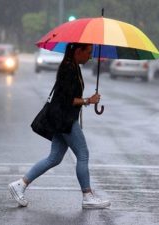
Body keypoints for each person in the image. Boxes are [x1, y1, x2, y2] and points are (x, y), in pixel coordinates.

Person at [8, 43, 110, 209]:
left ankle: (20, 185)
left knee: (54, 158)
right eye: (88, 52)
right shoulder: (69, 69)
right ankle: (87, 196)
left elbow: (68, 96)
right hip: (65, 120)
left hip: (60, 119)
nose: (90, 56)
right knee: (83, 154)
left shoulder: (72, 66)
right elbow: (66, 100)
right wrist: (87, 101)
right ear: (78, 51)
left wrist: (86, 99)